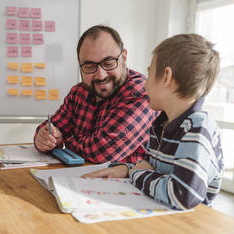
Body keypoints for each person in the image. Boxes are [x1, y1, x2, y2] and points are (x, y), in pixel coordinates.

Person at [83, 34, 224, 210]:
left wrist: (137, 174)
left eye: (149, 74)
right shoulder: (161, 124)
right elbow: (151, 167)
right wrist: (127, 169)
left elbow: (183, 195)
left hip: (189, 227)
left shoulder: (198, 128)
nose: (144, 85)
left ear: (166, 76)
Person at [34, 25, 156, 163]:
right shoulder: (78, 92)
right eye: (89, 66)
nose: (100, 75)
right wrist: (43, 139)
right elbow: (50, 128)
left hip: (124, 183)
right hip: (77, 179)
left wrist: (67, 141)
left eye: (109, 63)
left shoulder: (140, 93)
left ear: (124, 57)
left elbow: (103, 152)